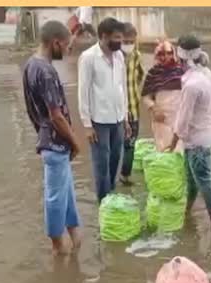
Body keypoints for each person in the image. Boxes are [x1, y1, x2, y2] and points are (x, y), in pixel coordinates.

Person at [22, 20, 82, 255]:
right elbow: (56, 115)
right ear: (55, 42)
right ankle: (58, 247)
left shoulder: (30, 65)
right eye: (67, 46)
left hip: (50, 141)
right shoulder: (46, 71)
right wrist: (75, 142)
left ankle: (75, 235)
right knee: (56, 198)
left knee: (66, 194)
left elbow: (32, 110)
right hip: (55, 144)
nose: (68, 51)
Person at [166, 35, 211, 230]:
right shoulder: (207, 74)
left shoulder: (192, 84)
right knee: (193, 182)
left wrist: (172, 144)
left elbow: (183, 118)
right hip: (201, 136)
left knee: (205, 183)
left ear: (181, 58)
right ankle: (187, 214)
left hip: (197, 141)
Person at [78, 17, 130, 203]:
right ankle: (103, 203)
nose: (120, 41)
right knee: (101, 164)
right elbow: (83, 91)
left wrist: (125, 117)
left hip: (117, 118)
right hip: (98, 120)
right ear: (103, 36)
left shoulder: (119, 56)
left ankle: (111, 197)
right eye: (117, 37)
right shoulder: (88, 58)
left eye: (121, 38)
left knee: (115, 159)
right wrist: (86, 124)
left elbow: (121, 86)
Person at [142, 41, 185, 151]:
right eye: (161, 54)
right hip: (161, 118)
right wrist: (154, 109)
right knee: (164, 150)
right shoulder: (153, 73)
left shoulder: (181, 71)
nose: (165, 57)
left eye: (168, 53)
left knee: (180, 150)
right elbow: (146, 96)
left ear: (173, 54)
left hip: (179, 116)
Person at [120, 22, 144, 186]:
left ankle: (125, 176)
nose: (129, 45)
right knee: (115, 146)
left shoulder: (136, 55)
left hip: (133, 108)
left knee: (130, 145)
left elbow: (141, 75)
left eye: (131, 42)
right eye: (126, 42)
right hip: (116, 112)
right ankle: (113, 177)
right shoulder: (113, 57)